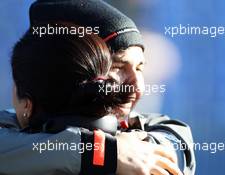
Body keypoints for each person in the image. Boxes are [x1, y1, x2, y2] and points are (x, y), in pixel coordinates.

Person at [0, 0, 195, 174]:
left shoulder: (150, 133)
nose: (137, 87)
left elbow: (177, 141)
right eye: (118, 67)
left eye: (140, 68)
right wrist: (105, 153)